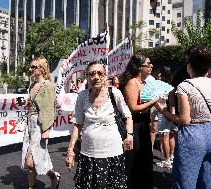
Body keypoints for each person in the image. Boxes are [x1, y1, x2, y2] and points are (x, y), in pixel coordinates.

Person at [155, 45, 211, 189]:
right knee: (210, 182)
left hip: (191, 135)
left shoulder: (185, 86)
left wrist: (163, 110)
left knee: (185, 181)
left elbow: (185, 120)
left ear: (190, 66)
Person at [65, 60, 133, 189]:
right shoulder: (82, 96)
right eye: (92, 74)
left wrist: (129, 136)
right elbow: (77, 124)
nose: (96, 77)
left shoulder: (115, 93)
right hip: (88, 153)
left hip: (112, 152)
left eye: (99, 73)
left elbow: (127, 115)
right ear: (87, 77)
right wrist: (70, 150)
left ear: (105, 76)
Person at [120, 54, 158, 189]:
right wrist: (154, 101)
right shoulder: (132, 82)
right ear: (139, 67)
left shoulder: (144, 83)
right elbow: (133, 108)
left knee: (144, 159)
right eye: (148, 64)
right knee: (134, 160)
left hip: (144, 126)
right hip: (134, 126)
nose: (151, 66)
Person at [21, 58, 60, 189]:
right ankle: (32, 186)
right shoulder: (32, 85)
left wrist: (46, 129)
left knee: (31, 161)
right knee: (33, 160)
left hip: (40, 125)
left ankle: (53, 176)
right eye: (31, 67)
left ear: (42, 68)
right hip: (30, 125)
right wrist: (28, 103)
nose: (30, 69)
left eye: (33, 67)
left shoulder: (48, 85)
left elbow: (49, 108)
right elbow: (35, 103)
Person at [155, 66, 177, 169]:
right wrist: (172, 115)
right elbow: (172, 103)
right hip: (172, 114)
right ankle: (171, 157)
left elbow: (156, 101)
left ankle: (167, 161)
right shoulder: (172, 87)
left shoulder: (160, 87)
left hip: (162, 113)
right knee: (171, 135)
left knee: (164, 138)